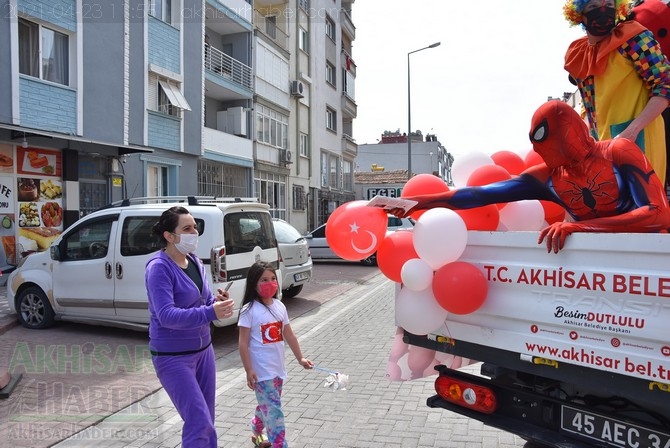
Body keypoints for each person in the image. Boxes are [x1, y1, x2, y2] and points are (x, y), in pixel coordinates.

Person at [388, 100, 670, 253]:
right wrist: (415, 202)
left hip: (643, 260)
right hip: (591, 262)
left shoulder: (619, 152)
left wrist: (580, 227)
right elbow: (480, 194)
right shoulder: (549, 176)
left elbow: (659, 214)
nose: (554, 161)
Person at [145, 206, 235, 448]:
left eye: (195, 227)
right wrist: (210, 312)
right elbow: (166, 315)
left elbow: (202, 301)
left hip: (204, 352)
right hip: (173, 357)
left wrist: (214, 302)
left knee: (208, 420)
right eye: (187, 228)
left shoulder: (194, 261)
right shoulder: (159, 268)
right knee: (198, 422)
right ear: (169, 236)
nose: (194, 232)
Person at [563, 0, 670, 186]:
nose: (604, 11)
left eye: (609, 4)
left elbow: (665, 85)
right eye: (594, 5)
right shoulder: (580, 54)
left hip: (638, 139)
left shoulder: (634, 37)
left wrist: (633, 130)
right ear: (579, 13)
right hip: (602, 149)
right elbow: (590, 108)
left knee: (644, 208)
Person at [238, 261, 313, 448]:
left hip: (278, 370)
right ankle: (279, 444)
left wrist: (300, 358)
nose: (269, 283)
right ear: (254, 283)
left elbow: (289, 334)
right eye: (264, 280)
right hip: (261, 372)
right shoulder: (249, 310)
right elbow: (243, 343)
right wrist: (248, 369)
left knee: (269, 405)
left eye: (272, 279)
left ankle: (256, 429)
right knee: (274, 412)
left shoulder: (279, 306)